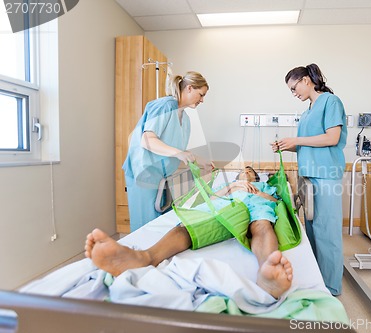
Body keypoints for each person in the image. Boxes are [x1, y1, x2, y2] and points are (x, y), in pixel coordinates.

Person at [85, 166, 294, 299]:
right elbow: (210, 201)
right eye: (242, 172)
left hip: (256, 204)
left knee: (262, 227)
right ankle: (144, 257)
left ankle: (267, 271)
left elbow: (277, 203)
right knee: (188, 228)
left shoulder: (264, 186)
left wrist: (259, 192)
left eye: (249, 172)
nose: (245, 173)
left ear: (256, 176)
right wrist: (232, 188)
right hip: (227, 205)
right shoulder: (230, 186)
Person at [270, 64, 347, 296]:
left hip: (325, 174)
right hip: (309, 176)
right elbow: (308, 146)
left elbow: (332, 138)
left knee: (328, 232)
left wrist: (297, 140)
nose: (294, 93)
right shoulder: (307, 111)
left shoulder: (330, 102)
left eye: (294, 88)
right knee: (313, 230)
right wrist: (288, 146)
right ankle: (317, 279)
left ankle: (331, 286)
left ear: (306, 80)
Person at [123, 71, 213, 232]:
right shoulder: (164, 106)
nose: (203, 100)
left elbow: (176, 148)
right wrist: (179, 154)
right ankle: (138, 255)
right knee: (147, 228)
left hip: (160, 177)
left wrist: (201, 161)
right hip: (143, 173)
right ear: (190, 88)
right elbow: (147, 140)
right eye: (201, 95)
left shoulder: (184, 119)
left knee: (161, 225)